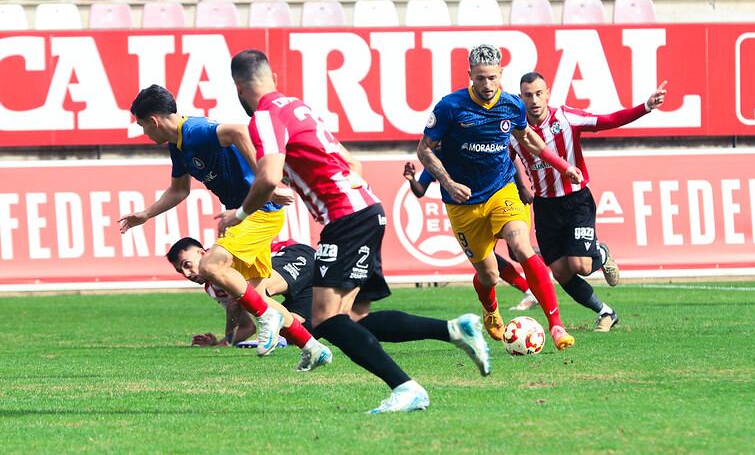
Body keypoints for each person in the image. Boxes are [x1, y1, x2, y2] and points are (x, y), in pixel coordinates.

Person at [216, 49, 490, 414]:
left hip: (346, 218)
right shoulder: (298, 107)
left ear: (238, 87)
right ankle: (455, 330)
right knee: (354, 319)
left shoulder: (264, 116)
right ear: (274, 78)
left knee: (325, 321)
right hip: (367, 209)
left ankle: (407, 389)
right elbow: (352, 163)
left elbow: (267, 176)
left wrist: (239, 214)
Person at [120, 84, 315, 363]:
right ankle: (312, 347)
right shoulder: (178, 145)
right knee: (257, 297)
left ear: (153, 121)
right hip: (243, 216)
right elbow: (179, 190)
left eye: (141, 125)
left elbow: (239, 131)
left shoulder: (194, 131)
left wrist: (266, 180)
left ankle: (269, 319)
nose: (143, 132)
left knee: (210, 267)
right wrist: (145, 214)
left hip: (259, 211)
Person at [417, 44, 584, 351]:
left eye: (492, 77)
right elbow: (424, 150)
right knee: (489, 275)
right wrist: (449, 183)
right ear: (470, 75)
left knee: (521, 246)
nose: (487, 84)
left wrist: (563, 167)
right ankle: (491, 310)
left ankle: (556, 325)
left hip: (501, 190)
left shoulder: (512, 105)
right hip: (463, 203)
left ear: (501, 74)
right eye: (480, 78)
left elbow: (528, 139)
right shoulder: (450, 107)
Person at [169, 237, 491, 376]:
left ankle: (407, 384)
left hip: (298, 257)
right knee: (340, 325)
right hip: (339, 243)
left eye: (188, 263)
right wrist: (223, 341)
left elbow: (251, 306)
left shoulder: (221, 258)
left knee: (261, 292)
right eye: (181, 270)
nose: (188, 272)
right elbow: (243, 319)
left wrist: (250, 315)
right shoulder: (212, 285)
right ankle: (451, 329)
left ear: (204, 251)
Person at [513, 73, 668, 332]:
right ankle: (606, 312)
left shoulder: (565, 118)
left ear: (547, 93)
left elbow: (607, 121)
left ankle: (601, 252)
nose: (534, 100)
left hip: (576, 201)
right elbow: (507, 161)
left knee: (581, 265)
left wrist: (646, 106)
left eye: (539, 93)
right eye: (528, 95)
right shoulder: (515, 132)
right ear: (521, 98)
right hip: (545, 207)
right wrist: (521, 186)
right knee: (561, 272)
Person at [402, 161, 538, 311]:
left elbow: (509, 155)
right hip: (475, 209)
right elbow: (420, 190)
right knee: (491, 258)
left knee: (518, 250)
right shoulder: (435, 159)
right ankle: (529, 291)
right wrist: (412, 179)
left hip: (506, 197)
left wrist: (521, 187)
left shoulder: (468, 148)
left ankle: (551, 262)